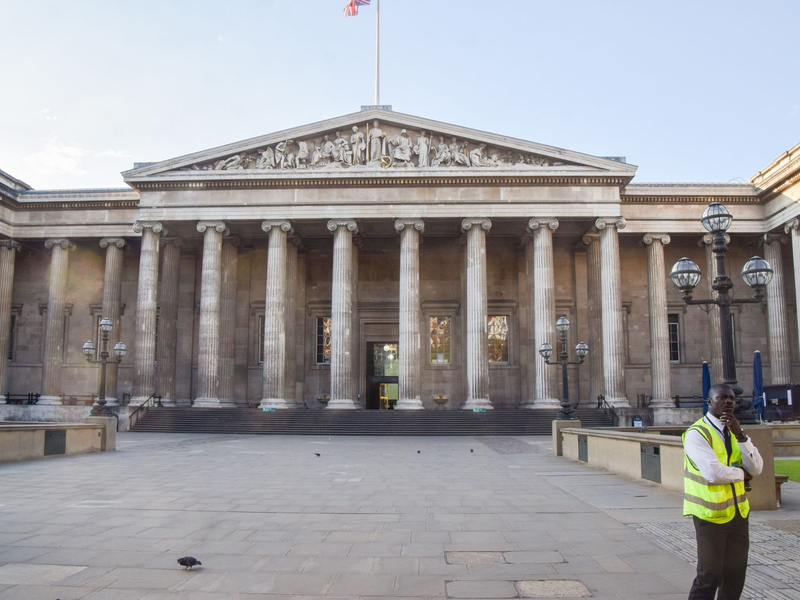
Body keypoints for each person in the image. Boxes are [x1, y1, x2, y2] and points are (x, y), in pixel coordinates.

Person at [683, 383, 763, 599]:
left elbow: (757, 467)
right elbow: (713, 473)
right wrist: (742, 475)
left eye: (731, 399)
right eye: (722, 397)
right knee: (709, 576)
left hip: (738, 514)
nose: (728, 401)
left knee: (735, 576)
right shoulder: (697, 433)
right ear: (709, 402)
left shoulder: (737, 431)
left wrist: (741, 436)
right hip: (710, 516)